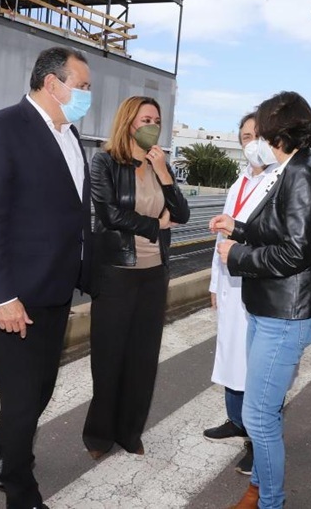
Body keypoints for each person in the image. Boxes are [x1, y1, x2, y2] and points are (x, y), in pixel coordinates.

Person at [0, 46, 93, 509]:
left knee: (40, 390)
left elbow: (76, 213)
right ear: (52, 83)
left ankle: (4, 444)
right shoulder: (2, 129)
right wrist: (2, 295)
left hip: (56, 289)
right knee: (22, 399)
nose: (86, 94)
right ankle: (21, 490)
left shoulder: (71, 136)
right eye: (81, 86)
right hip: (14, 294)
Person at [210, 91, 311, 509]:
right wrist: (239, 229)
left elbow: (297, 252)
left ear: (277, 133)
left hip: (286, 313)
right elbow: (281, 234)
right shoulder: (291, 169)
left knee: (259, 416)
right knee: (262, 411)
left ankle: (270, 501)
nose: (256, 139)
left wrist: (238, 254)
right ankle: (260, 490)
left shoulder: (301, 174)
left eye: (261, 130)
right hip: (271, 308)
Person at [83, 96, 190, 459]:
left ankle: (130, 431)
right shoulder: (105, 162)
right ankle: (99, 435)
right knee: (109, 357)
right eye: (147, 118)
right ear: (129, 121)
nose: (153, 125)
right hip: (116, 272)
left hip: (154, 274)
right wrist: (155, 225)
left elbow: (184, 213)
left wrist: (164, 175)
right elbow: (109, 213)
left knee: (143, 359)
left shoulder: (162, 164)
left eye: (157, 120)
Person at [204, 112, 278, 476]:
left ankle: (256, 440)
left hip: (256, 285)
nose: (252, 143)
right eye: (246, 136)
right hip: (231, 282)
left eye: (258, 135)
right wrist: (215, 284)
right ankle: (236, 421)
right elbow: (222, 232)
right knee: (231, 358)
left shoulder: (280, 180)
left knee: (256, 368)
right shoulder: (239, 182)